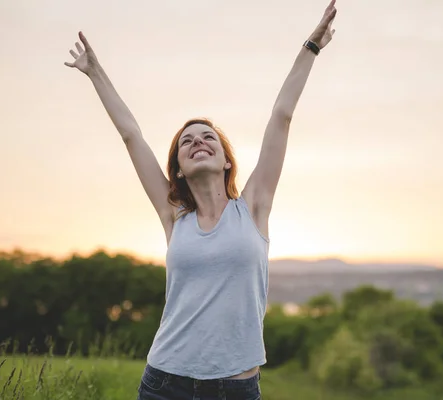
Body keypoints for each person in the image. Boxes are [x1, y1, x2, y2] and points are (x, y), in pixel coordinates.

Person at [64, 1, 337, 398]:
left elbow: (281, 115)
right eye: (186, 141)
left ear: (227, 161)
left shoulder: (253, 207)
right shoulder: (173, 215)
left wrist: (310, 47)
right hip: (164, 382)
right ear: (177, 168)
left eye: (208, 137)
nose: (198, 142)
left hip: (235, 388)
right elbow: (131, 135)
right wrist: (94, 71)